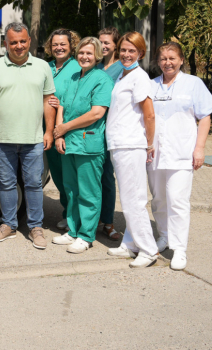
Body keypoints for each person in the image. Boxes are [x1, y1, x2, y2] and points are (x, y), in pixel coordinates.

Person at [0, 22, 56, 249]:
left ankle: (36, 227)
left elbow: (48, 100)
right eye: (14, 42)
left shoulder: (42, 66)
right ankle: (8, 225)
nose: (19, 46)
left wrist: (49, 131)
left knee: (33, 184)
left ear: (29, 41)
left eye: (23, 41)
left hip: (33, 139)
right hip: (2, 139)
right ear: (6, 43)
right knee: (6, 184)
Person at [149, 42, 212, 270]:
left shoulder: (193, 83)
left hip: (181, 152)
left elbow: (205, 117)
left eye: (172, 58)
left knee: (177, 200)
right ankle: (164, 236)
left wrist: (200, 148)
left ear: (181, 60)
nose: (167, 62)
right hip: (154, 153)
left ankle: (179, 248)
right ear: (158, 61)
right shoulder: (151, 85)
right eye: (163, 58)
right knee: (158, 199)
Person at [51, 37, 114, 253]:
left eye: (89, 53)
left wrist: (64, 128)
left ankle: (86, 235)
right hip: (68, 142)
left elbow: (96, 113)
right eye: (81, 52)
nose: (84, 57)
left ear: (97, 56)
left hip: (88, 143)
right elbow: (61, 105)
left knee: (88, 192)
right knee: (71, 189)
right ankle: (73, 229)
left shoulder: (102, 79)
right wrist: (59, 134)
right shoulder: (74, 76)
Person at [105, 31, 158, 268]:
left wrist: (149, 144)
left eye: (132, 51)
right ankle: (130, 243)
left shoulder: (140, 77)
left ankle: (148, 249)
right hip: (119, 143)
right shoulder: (122, 75)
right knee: (128, 197)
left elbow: (149, 114)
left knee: (133, 200)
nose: (126, 54)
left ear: (141, 53)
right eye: (123, 50)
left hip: (131, 144)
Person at [44, 28, 81, 232]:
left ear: (71, 45)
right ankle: (68, 212)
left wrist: (61, 104)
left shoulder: (77, 67)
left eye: (63, 44)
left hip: (66, 129)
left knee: (70, 178)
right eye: (55, 44)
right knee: (58, 176)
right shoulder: (47, 66)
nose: (59, 48)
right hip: (47, 129)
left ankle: (75, 217)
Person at [96, 27, 124, 241]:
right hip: (92, 128)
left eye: (107, 42)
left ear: (116, 45)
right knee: (91, 177)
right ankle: (90, 218)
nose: (103, 46)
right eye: (100, 42)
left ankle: (108, 222)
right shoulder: (94, 66)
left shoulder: (123, 68)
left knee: (106, 176)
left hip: (112, 128)